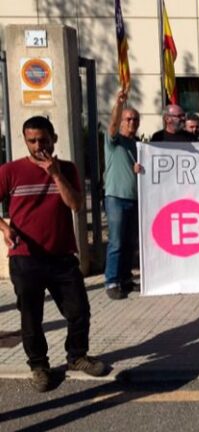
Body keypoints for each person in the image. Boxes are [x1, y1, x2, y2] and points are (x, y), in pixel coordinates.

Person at [0, 116, 109, 392]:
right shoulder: (10, 171)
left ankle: (77, 356)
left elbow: (75, 205)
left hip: (61, 255)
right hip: (25, 256)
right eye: (32, 141)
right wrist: (4, 227)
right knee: (31, 315)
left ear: (54, 139)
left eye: (44, 140)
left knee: (79, 310)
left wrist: (55, 174)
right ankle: (39, 366)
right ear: (25, 141)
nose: (38, 146)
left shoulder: (68, 169)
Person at [103, 88, 142, 300]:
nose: (132, 123)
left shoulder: (137, 145)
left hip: (134, 199)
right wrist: (118, 103)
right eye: (128, 119)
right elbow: (111, 125)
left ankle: (125, 278)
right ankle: (111, 281)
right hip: (116, 198)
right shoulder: (114, 140)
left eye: (135, 119)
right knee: (116, 241)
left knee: (129, 242)